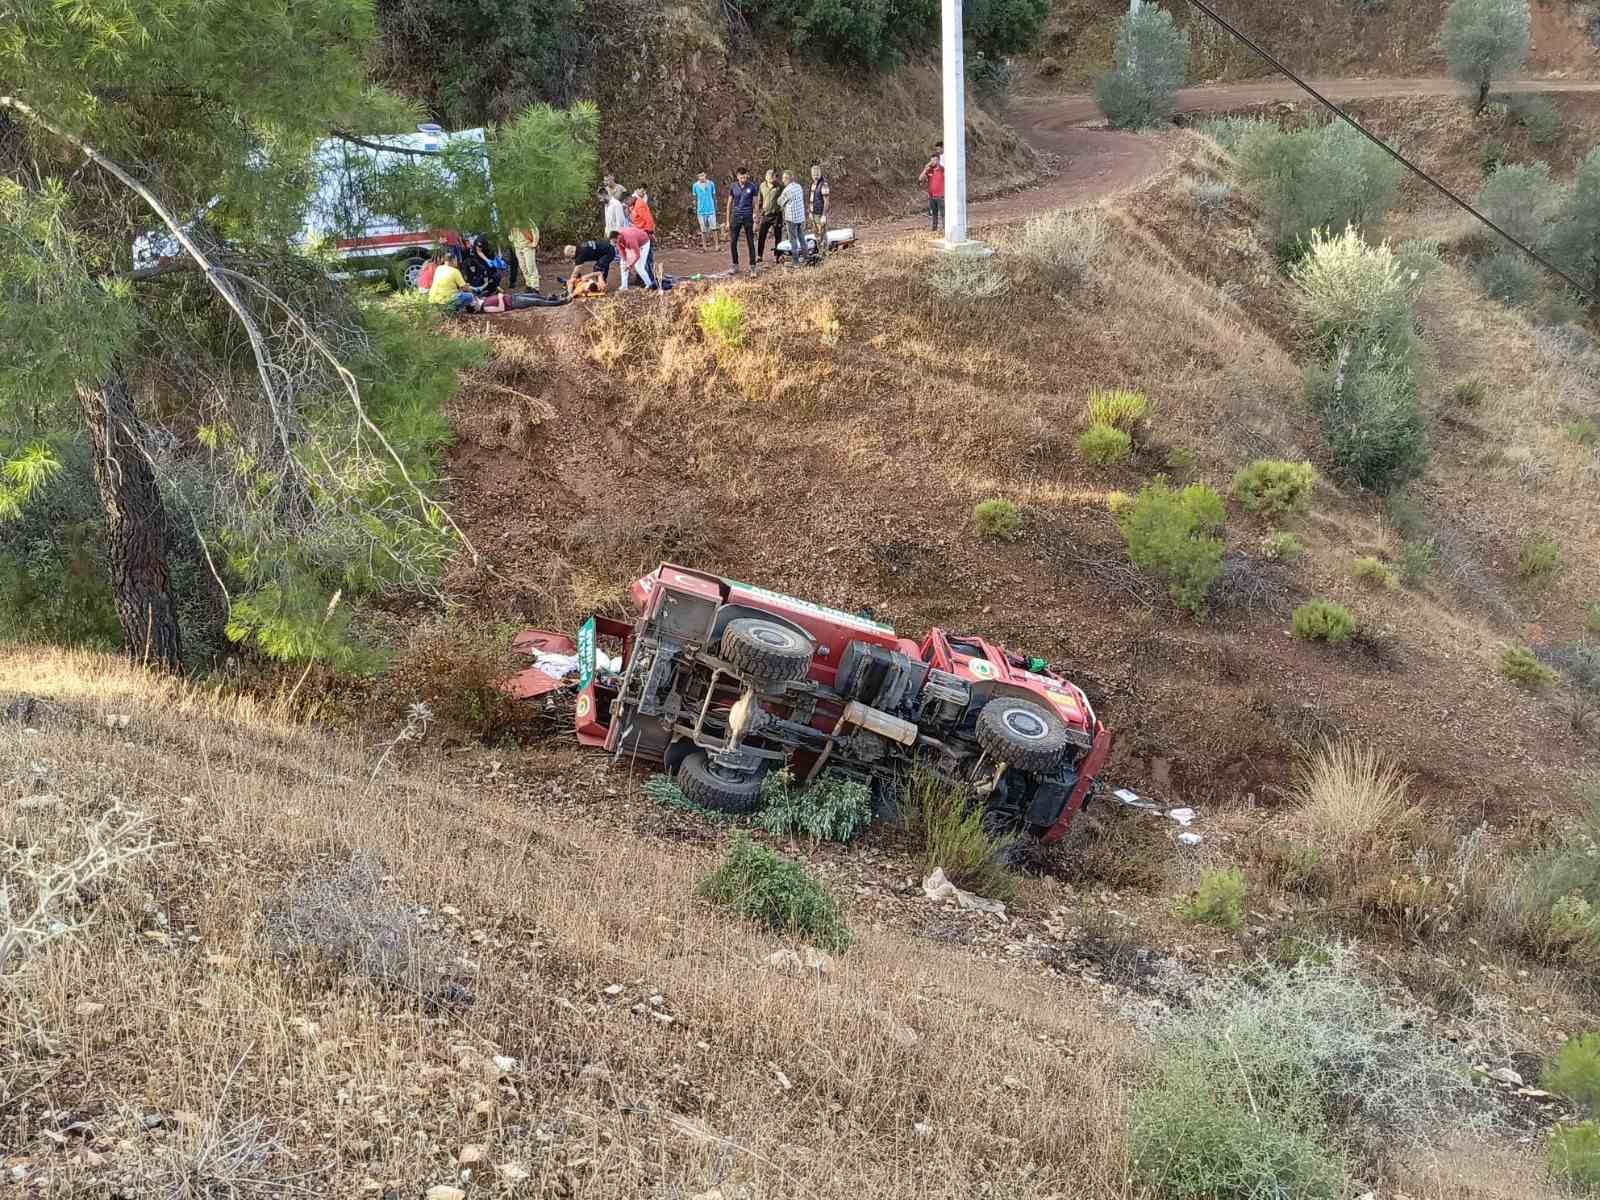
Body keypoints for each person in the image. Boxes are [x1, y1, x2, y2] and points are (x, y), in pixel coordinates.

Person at [725, 166, 759, 275]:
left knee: (750, 242)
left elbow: (756, 205)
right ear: (737, 176)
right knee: (733, 241)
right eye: (741, 177)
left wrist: (756, 221)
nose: (743, 179)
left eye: (745, 177)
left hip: (748, 216)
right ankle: (735, 266)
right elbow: (729, 204)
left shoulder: (752, 186)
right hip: (736, 216)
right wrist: (727, 221)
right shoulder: (733, 186)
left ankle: (753, 267)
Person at [611, 224, 658, 291]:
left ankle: (649, 284)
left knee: (639, 266)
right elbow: (621, 251)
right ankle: (624, 286)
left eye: (615, 242)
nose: (615, 244)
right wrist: (625, 261)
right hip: (632, 243)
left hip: (643, 243)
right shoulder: (618, 240)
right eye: (614, 243)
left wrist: (630, 265)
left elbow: (637, 255)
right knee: (623, 264)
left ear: (619, 237)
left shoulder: (630, 240)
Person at [779, 170, 808, 265]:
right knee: (801, 238)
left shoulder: (787, 190)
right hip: (800, 217)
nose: (782, 180)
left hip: (791, 219)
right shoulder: (798, 186)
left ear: (788, 179)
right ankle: (806, 257)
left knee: (793, 240)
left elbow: (780, 202)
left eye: (784, 178)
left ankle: (795, 261)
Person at [757, 168, 784, 263]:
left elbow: (784, 198)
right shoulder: (762, 186)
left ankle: (778, 255)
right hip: (766, 215)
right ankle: (759, 255)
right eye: (769, 176)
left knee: (778, 235)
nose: (771, 178)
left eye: (773, 176)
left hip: (777, 214)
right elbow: (759, 199)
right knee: (761, 235)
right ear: (766, 177)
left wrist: (782, 209)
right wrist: (759, 211)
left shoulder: (779, 186)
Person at [918, 143, 945, 234]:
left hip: (941, 196)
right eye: (932, 160)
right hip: (932, 196)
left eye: (935, 160)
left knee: (943, 214)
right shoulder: (929, 170)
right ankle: (934, 229)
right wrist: (926, 168)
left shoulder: (942, 169)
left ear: (938, 160)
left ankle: (945, 229)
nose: (933, 162)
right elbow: (920, 179)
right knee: (934, 214)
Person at [692, 170, 719, 251]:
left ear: (705, 175)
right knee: (703, 230)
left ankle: (717, 245)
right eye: (700, 176)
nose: (701, 177)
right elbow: (695, 198)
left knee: (714, 228)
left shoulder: (711, 184)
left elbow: (713, 196)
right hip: (701, 210)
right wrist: (695, 207)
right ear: (697, 176)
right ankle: (704, 246)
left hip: (711, 209)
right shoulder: (695, 186)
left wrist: (715, 206)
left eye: (703, 175)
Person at [808, 161, 830, 257]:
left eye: (817, 174)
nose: (815, 176)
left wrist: (824, 215)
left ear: (820, 173)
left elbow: (826, 201)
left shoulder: (823, 184)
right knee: (816, 235)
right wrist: (810, 212)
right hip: (813, 213)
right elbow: (812, 199)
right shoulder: (813, 184)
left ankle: (824, 253)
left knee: (822, 235)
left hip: (820, 214)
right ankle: (820, 252)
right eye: (813, 174)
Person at [508, 223, 540, 291]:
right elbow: (510, 236)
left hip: (527, 247)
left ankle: (535, 288)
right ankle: (529, 285)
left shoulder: (526, 220)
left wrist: (534, 243)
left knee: (530, 268)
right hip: (518, 248)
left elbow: (535, 230)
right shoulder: (511, 222)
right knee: (523, 268)